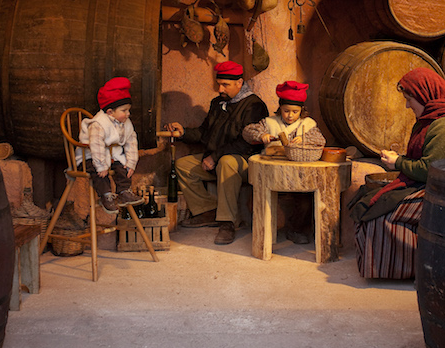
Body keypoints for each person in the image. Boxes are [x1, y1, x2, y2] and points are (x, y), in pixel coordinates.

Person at [348, 67, 445, 279]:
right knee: (369, 198)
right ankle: (397, 266)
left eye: (409, 99)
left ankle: (414, 269)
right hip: (433, 186)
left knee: (381, 212)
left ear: (425, 95)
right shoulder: (433, 119)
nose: (406, 105)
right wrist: (400, 161)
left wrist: (398, 163)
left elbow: (430, 170)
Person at [165, 61, 269, 245]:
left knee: (227, 162)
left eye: (225, 85)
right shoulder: (217, 103)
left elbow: (246, 142)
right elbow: (204, 133)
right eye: (219, 83)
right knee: (182, 166)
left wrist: (215, 156)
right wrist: (183, 133)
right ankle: (208, 211)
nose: (220, 89)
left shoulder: (254, 106)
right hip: (218, 158)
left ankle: (227, 223)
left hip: (245, 163)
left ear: (239, 82)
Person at [242, 80, 325, 244]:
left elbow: (320, 139)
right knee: (262, 196)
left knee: (305, 200)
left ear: (301, 111)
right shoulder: (270, 123)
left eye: (295, 111)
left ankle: (296, 230)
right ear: (280, 108)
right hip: (273, 174)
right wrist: (261, 136)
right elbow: (247, 131)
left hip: (298, 175)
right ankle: (264, 233)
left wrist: (304, 138)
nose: (290, 115)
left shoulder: (307, 125)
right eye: (286, 111)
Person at [76, 77, 145, 214]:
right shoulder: (98, 124)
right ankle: (106, 195)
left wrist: (131, 162)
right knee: (99, 174)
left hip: (112, 155)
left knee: (123, 168)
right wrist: (101, 165)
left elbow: (131, 141)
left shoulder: (126, 123)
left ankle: (124, 191)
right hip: (91, 157)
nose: (128, 114)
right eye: (124, 110)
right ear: (109, 112)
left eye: (128, 110)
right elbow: (96, 145)